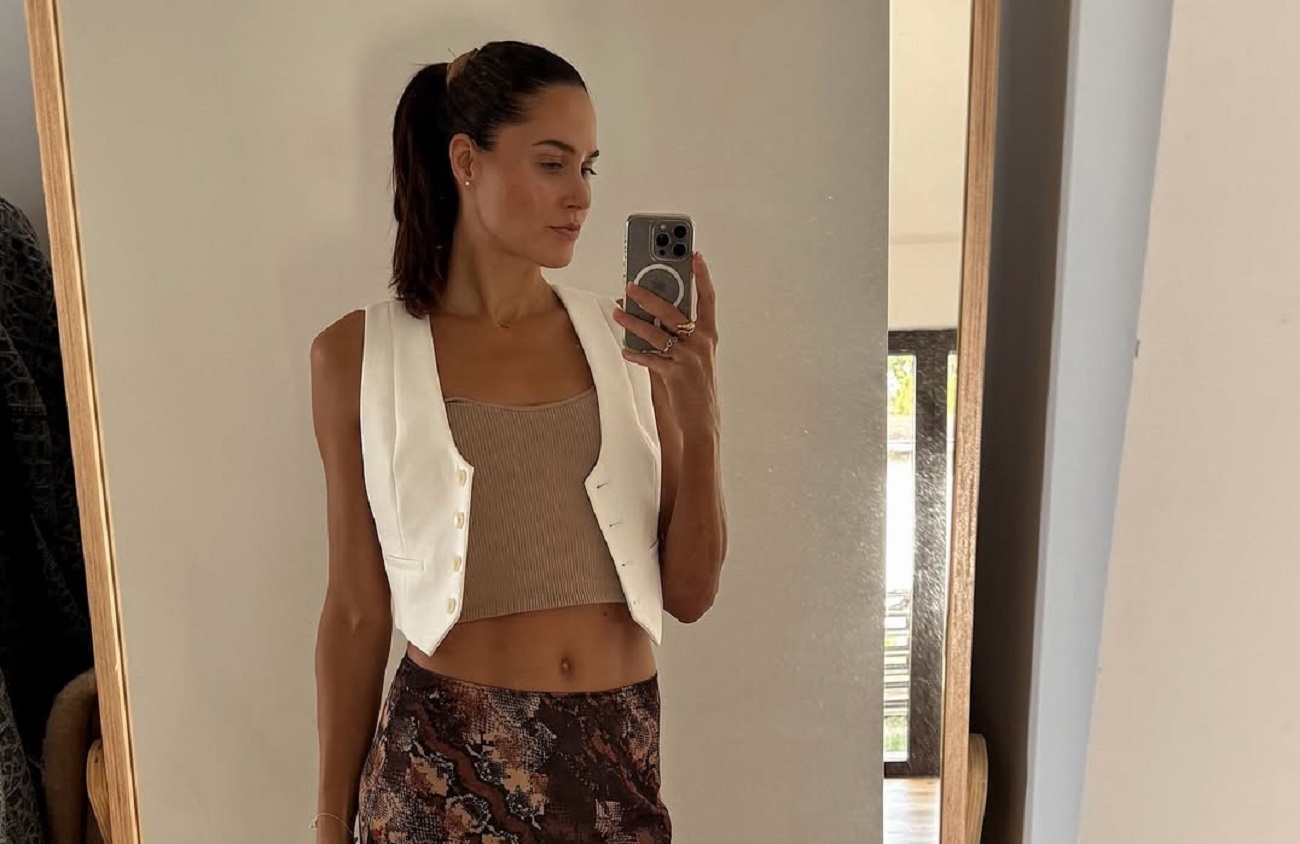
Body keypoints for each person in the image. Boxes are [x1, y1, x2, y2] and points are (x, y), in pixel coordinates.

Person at [309, 41, 727, 844]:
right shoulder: (356, 356)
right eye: (551, 163)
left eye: (588, 168)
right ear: (466, 160)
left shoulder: (628, 343)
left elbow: (690, 593)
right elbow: (357, 612)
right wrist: (331, 823)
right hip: (440, 774)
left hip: (614, 770)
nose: (580, 196)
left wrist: (700, 416)